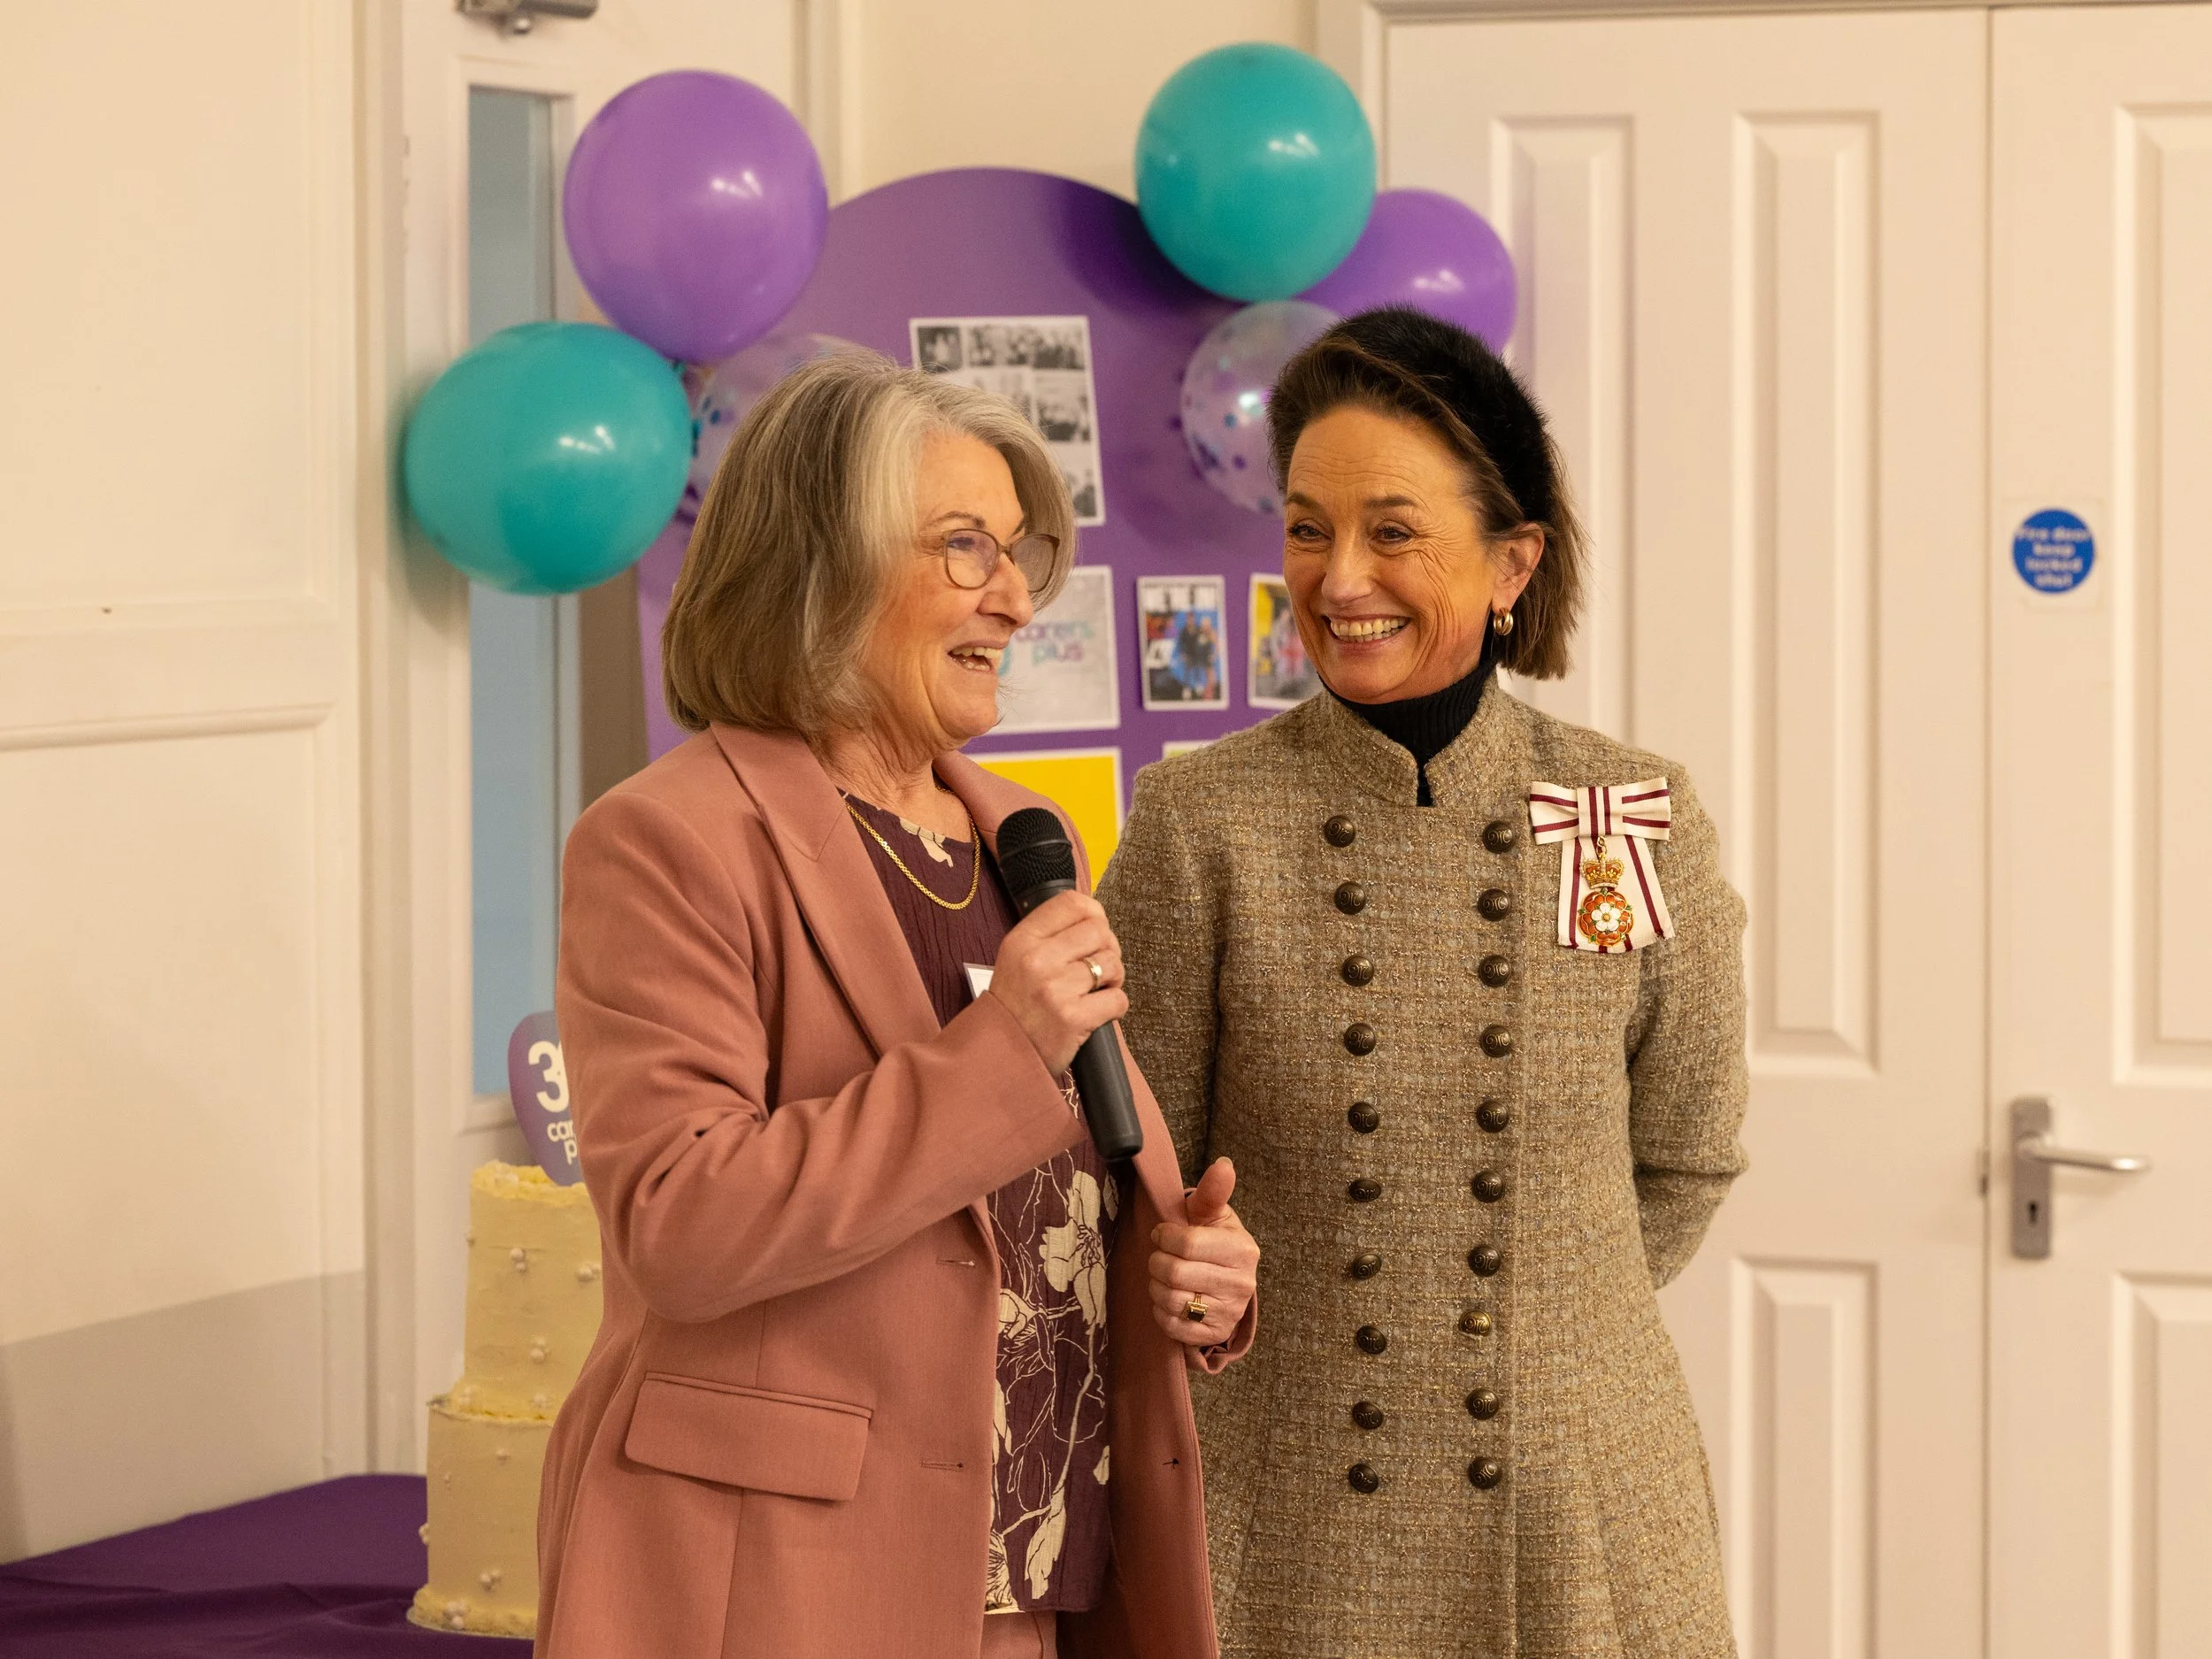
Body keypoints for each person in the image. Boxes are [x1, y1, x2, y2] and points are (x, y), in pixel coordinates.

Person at [537, 351, 1260, 1659]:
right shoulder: (667, 841)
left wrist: (1180, 1264)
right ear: (825, 566)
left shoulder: (1019, 840)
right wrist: (1000, 1053)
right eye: (966, 547)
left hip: (1041, 1566)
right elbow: (681, 1225)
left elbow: (1034, 1209)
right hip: (791, 1582)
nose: (1017, 597)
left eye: (1020, 551)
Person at [1097, 308, 1747, 1659]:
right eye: (1306, 527)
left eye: (1393, 531)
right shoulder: (1202, 822)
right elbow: (1126, 1176)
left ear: (1513, 562)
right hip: (1298, 1512)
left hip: (1583, 1511)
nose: (1340, 579)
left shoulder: (1625, 806)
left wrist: (1544, 1322)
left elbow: (1685, 1155)